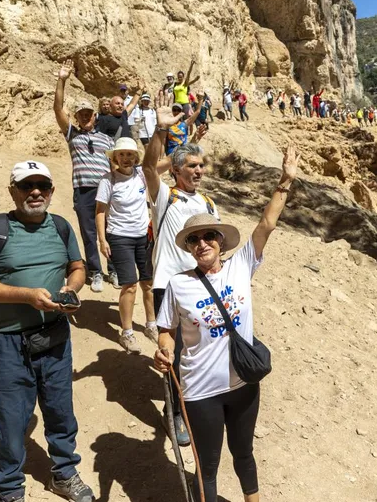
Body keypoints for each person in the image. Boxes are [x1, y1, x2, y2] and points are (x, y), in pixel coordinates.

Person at [154, 146, 300, 502]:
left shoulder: (241, 265)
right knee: (207, 465)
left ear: (220, 241)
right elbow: (166, 330)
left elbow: (266, 223)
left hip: (243, 382)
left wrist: (285, 181)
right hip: (200, 388)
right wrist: (165, 349)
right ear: (188, 248)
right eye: (194, 240)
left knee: (245, 454)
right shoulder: (178, 284)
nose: (203, 243)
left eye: (209, 236)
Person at [0, 161, 94, 502]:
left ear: (51, 191)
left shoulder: (62, 226)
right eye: (27, 186)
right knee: (10, 419)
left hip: (55, 337)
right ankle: (9, 489)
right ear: (13, 191)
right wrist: (25, 296)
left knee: (61, 411)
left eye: (43, 186)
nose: (35, 192)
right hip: (6, 341)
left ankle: (64, 473)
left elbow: (77, 267)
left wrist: (71, 290)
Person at [142, 108, 221, 447]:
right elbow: (147, 167)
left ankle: (196, 403)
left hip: (198, 286)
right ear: (175, 170)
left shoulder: (209, 202)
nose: (198, 171)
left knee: (197, 347)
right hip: (168, 284)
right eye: (191, 166)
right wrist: (161, 129)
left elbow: (216, 245)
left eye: (201, 165)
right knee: (170, 349)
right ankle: (174, 412)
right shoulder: (165, 196)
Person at [54, 59, 116, 292]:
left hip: (106, 189)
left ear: (95, 116)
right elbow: (58, 109)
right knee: (89, 232)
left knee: (111, 230)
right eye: (81, 114)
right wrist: (62, 80)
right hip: (83, 191)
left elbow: (116, 165)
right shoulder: (73, 136)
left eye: (89, 113)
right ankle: (96, 272)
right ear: (77, 117)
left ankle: (114, 269)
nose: (85, 117)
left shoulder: (107, 139)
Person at [96, 138, 155, 354]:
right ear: (114, 158)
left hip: (143, 236)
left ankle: (151, 325)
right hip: (120, 237)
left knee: (148, 282)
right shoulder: (108, 180)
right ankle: (127, 332)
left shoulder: (141, 174)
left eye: (130, 154)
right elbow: (100, 211)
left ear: (136, 157)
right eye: (121, 155)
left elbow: (167, 162)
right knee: (129, 285)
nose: (126, 159)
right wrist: (102, 240)